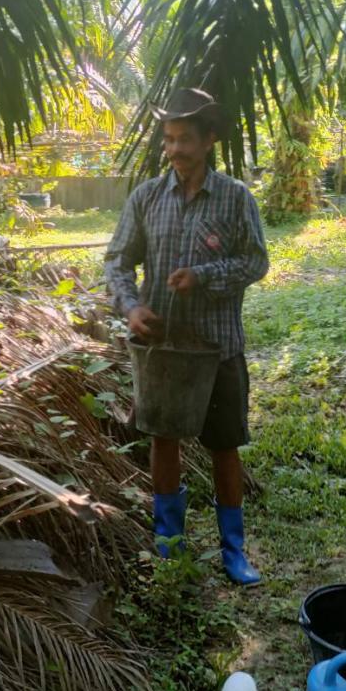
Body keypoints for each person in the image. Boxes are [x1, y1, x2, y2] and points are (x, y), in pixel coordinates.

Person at [104, 87, 269, 585]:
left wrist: (205, 275)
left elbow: (256, 261)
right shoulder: (147, 198)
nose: (175, 149)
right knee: (165, 440)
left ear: (209, 139)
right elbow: (116, 261)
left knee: (224, 445)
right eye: (169, 139)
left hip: (219, 346)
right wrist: (131, 307)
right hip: (164, 348)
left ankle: (233, 550)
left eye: (185, 140)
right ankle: (169, 542)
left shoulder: (235, 198)